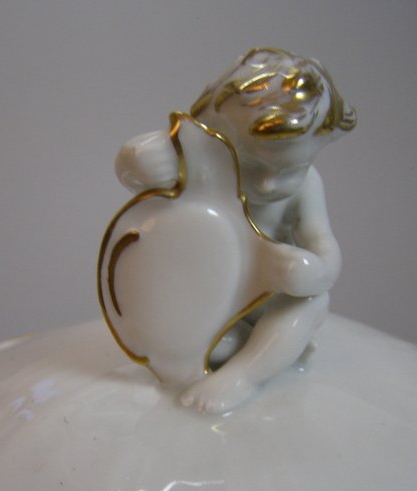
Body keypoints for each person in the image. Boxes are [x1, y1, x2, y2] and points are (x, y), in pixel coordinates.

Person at [114, 48, 356, 414]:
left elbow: (322, 243)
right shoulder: (196, 167)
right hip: (201, 296)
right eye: (251, 163)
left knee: (311, 305)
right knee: (208, 337)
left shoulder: (307, 187)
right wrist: (137, 162)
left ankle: (244, 375)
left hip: (262, 293)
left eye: (293, 168)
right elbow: (135, 169)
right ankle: (237, 347)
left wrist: (312, 270)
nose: (270, 183)